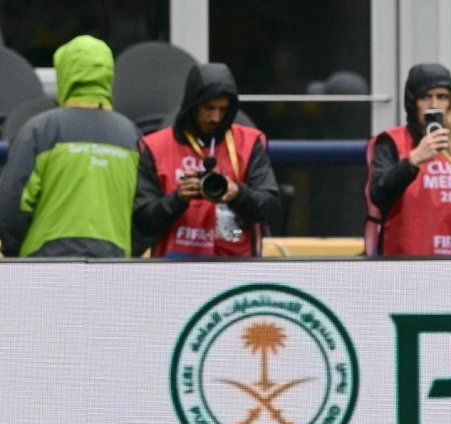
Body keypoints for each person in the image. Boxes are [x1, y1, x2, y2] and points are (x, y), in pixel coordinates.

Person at [0, 35, 140, 257]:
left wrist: (12, 250)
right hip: (113, 266)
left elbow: (13, 205)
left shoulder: (40, 129)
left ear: (64, 74)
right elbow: (142, 210)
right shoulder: (131, 135)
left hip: (46, 263)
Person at [133, 63, 278, 258]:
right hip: (174, 265)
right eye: (208, 108)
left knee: (237, 231)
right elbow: (141, 221)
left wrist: (238, 194)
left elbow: (270, 207)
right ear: (193, 104)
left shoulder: (250, 143)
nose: (216, 117)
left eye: (223, 109)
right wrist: (177, 199)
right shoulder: (155, 147)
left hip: (235, 255)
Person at [364, 63, 451, 256]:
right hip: (408, 264)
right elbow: (378, 195)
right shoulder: (392, 142)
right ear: (413, 103)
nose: (433, 105)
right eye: (425, 97)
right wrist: (413, 160)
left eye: (441, 97)